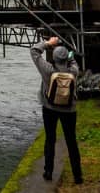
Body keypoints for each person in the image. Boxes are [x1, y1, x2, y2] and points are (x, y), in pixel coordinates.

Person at [30, 36, 83, 185]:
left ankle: (48, 172)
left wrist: (48, 43)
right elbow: (72, 59)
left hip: (49, 108)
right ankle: (78, 176)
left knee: (50, 139)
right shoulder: (73, 71)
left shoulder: (48, 70)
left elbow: (34, 51)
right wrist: (67, 51)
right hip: (69, 109)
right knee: (71, 141)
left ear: (53, 58)